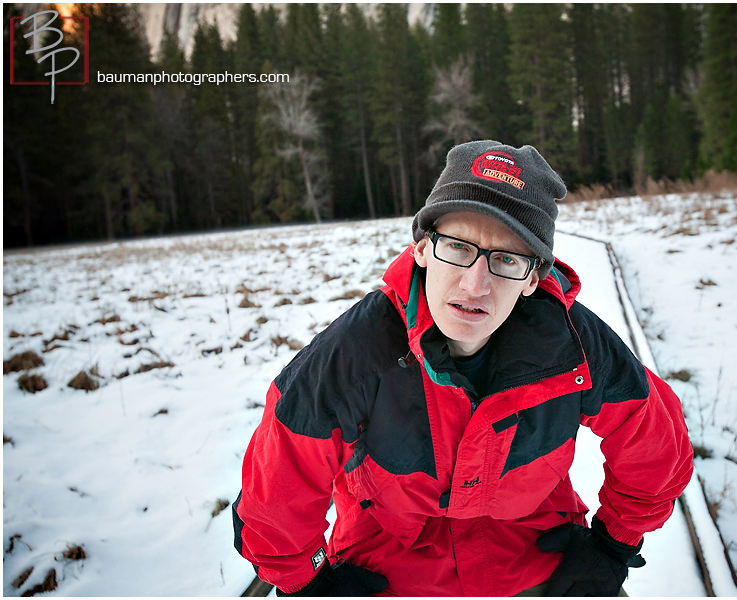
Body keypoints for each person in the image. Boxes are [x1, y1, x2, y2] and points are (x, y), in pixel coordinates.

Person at [232, 140, 694, 597]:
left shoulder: (570, 344)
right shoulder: (356, 351)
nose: (476, 285)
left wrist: (613, 545)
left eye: (506, 259)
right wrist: (307, 584)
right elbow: (275, 490)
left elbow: (657, 442)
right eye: (457, 247)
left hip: (534, 556)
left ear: (534, 277)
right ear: (422, 249)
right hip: (391, 565)